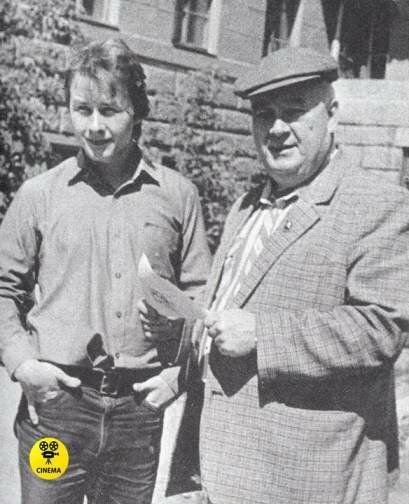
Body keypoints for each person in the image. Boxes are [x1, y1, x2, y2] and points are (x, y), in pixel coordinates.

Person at [140, 46, 409, 504]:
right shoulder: (247, 206)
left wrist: (264, 335)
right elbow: (229, 312)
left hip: (302, 480)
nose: (277, 128)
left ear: (332, 115)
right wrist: (181, 362)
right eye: (264, 114)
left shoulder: (377, 204)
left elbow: (383, 327)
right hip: (216, 466)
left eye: (294, 111)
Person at [0, 38, 210, 504]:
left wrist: (179, 375)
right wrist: (23, 364)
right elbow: (2, 288)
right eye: (82, 109)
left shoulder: (177, 196)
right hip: (55, 412)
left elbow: (202, 298)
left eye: (109, 110)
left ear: (137, 110)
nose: (94, 126)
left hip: (139, 413)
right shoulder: (40, 195)